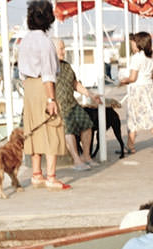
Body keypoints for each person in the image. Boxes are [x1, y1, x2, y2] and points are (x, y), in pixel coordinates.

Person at [19, 0, 68, 190]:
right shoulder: (45, 42)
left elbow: (22, 71)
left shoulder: (25, 40)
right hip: (42, 86)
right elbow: (48, 72)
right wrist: (51, 98)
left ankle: (36, 174)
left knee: (33, 129)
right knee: (51, 127)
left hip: (29, 88)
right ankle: (51, 177)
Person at [53, 38, 100, 171]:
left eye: (63, 48)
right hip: (60, 106)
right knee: (68, 129)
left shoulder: (66, 66)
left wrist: (90, 94)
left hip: (72, 103)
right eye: (61, 48)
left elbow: (75, 84)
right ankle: (76, 160)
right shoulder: (48, 67)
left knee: (87, 124)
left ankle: (86, 156)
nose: (64, 51)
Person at [118, 32, 153, 154]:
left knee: (133, 117)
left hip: (138, 90)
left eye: (133, 43)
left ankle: (131, 146)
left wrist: (123, 81)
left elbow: (133, 78)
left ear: (138, 44)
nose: (132, 45)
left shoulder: (136, 58)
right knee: (151, 116)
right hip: (149, 89)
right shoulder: (149, 58)